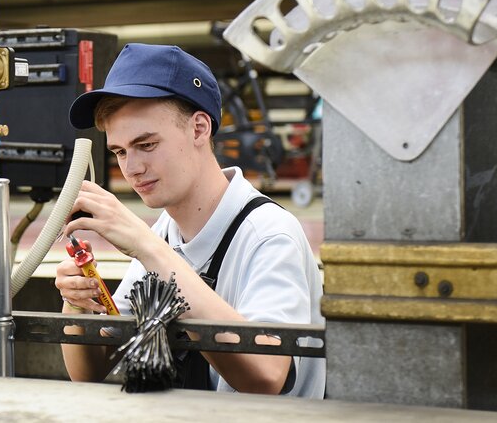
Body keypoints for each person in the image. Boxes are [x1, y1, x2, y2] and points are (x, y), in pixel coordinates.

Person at [56, 43, 325, 397]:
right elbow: (89, 371)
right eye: (120, 152)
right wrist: (78, 304)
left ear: (199, 128)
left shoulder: (269, 235)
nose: (132, 168)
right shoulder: (166, 234)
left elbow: (266, 375)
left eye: (147, 145)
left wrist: (148, 248)